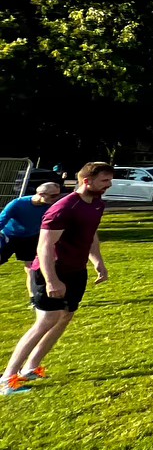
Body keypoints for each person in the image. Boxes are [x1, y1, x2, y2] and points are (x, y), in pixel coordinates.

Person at [2, 163, 112, 397]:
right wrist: (51, 280)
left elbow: (91, 234)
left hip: (76, 270)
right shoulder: (64, 208)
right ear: (87, 181)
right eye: (104, 181)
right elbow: (44, 245)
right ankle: (6, 378)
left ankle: (31, 368)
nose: (109, 185)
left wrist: (97, 261)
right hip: (50, 270)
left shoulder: (97, 204)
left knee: (65, 317)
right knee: (46, 320)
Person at [0, 182, 63, 274]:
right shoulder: (18, 204)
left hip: (31, 237)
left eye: (58, 195)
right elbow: (1, 221)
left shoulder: (51, 207)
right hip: (9, 236)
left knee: (31, 268)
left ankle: (33, 289)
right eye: (53, 196)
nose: (56, 198)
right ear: (41, 194)